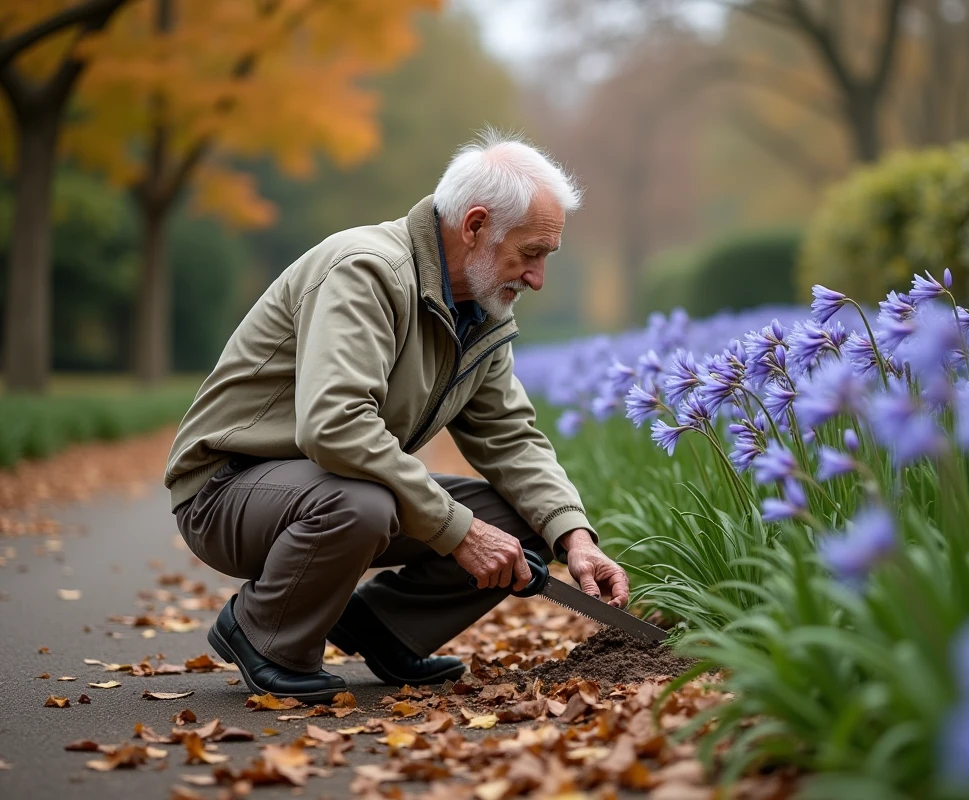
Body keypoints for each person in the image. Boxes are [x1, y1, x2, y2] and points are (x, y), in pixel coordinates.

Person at [164, 131, 630, 703]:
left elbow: (512, 440)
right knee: (364, 501)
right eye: (530, 253)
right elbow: (335, 426)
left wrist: (574, 536)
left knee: (524, 521)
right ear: (476, 225)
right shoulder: (365, 271)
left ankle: (383, 628)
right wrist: (457, 531)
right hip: (228, 490)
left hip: (328, 488)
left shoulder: (480, 311)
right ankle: (264, 633)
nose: (537, 278)